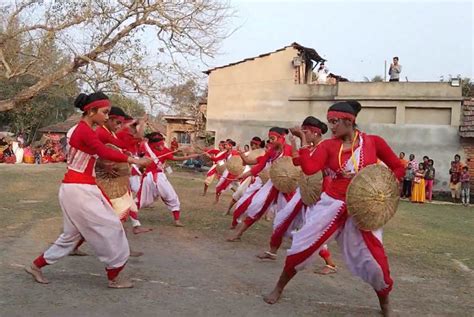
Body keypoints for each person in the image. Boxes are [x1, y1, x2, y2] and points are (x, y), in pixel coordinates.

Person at [263, 101, 404, 317]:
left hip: (363, 207)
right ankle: (278, 287)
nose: (332, 126)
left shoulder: (373, 142)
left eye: (334, 122)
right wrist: (301, 139)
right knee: (303, 245)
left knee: (375, 259)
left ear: (349, 121)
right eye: (330, 122)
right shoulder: (328, 146)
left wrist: (385, 186)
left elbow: (397, 166)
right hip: (332, 202)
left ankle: (385, 302)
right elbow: (309, 168)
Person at [25, 92, 151, 288]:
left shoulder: (88, 129)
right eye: (105, 112)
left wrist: (130, 136)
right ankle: (114, 276)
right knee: (111, 226)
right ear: (91, 111)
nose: (108, 117)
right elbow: (103, 150)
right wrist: (135, 159)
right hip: (79, 189)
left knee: (71, 235)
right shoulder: (84, 130)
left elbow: (109, 147)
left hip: (79, 187)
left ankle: (36, 266)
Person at [256, 116, 337, 275]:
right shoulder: (312, 147)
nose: (303, 134)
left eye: (305, 132)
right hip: (304, 190)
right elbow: (297, 162)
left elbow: (313, 168)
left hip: (319, 194)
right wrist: (295, 143)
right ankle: (272, 251)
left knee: (313, 230)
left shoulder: (326, 147)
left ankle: (331, 264)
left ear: (314, 133)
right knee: (282, 218)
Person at [227, 127, 293, 241]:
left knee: (291, 213)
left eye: (272, 138)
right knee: (255, 207)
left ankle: (300, 238)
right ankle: (238, 234)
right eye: (269, 139)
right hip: (272, 183)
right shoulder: (271, 152)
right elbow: (259, 166)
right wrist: (245, 174)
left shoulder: (291, 150)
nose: (270, 141)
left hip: (288, 185)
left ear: (282, 138)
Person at [137, 133, 200, 227]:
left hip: (158, 177)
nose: (162, 146)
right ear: (154, 145)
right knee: (141, 200)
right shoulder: (146, 149)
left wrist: (189, 156)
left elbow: (175, 158)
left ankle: (177, 220)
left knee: (171, 196)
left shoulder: (164, 150)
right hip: (150, 177)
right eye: (160, 145)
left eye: (163, 144)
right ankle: (126, 215)